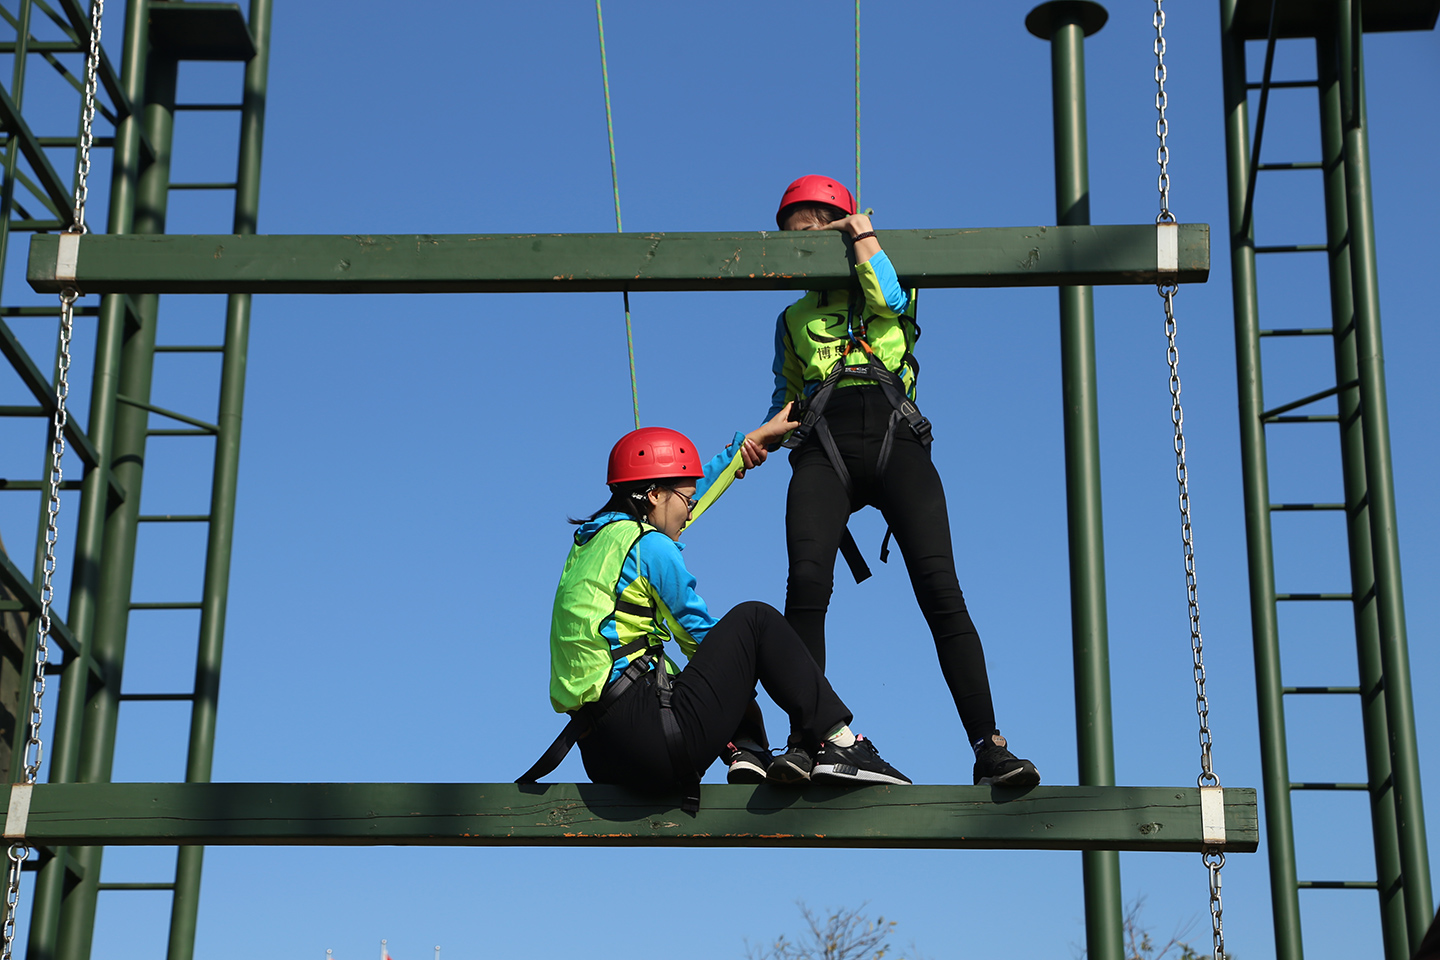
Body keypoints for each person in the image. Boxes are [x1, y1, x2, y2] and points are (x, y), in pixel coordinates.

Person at [764, 174, 1040, 788]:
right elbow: (786, 399)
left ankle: (989, 747)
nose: (800, 251)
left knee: (941, 589)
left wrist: (860, 233)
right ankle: (807, 739)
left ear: (840, 228)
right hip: (825, 443)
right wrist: (760, 436)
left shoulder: (890, 277)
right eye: (790, 240)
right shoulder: (792, 319)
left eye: (810, 234)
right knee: (805, 585)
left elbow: (889, 300)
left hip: (895, 435)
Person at [518, 416, 910, 809]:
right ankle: (840, 743)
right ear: (653, 495)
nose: (690, 513)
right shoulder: (648, 546)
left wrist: (744, 448)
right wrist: (745, 700)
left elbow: (678, 500)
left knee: (694, 666)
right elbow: (702, 638)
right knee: (754, 622)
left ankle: (747, 750)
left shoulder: (590, 545)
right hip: (651, 742)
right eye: (687, 502)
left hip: (601, 753)